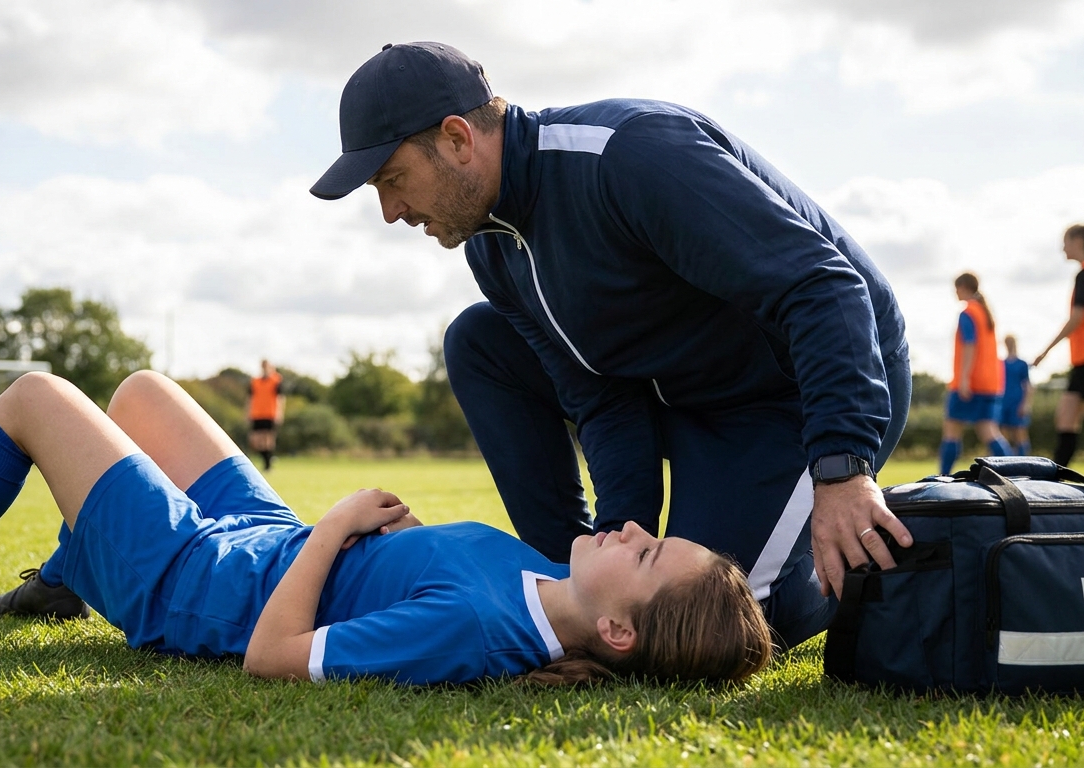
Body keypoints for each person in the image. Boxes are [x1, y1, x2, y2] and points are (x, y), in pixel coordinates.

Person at [309, 42, 911, 648]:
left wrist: (842, 467)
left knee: (713, 623)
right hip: (683, 395)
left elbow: (824, 287)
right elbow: (600, 399)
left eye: (392, 180)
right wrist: (609, 558)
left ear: (458, 139)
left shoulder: (629, 155)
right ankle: (554, 578)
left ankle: (888, 536)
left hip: (803, 393)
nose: (390, 211)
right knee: (478, 340)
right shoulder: (491, 248)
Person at [0, 371, 772, 686]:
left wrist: (338, 524)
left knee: (39, 399)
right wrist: (357, 541)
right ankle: (69, 573)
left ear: (617, 632)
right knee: (140, 392)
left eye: (644, 553)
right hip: (264, 537)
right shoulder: (531, 583)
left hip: (197, 582)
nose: (633, 526)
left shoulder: (475, 626)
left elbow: (271, 656)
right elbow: (415, 573)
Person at [1034, 222, 1084, 466]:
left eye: (1066, 242)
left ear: (1078, 242)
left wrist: (1046, 350)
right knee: (1065, 417)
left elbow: (1077, 318)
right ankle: (1055, 482)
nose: (1063, 248)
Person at [938, 273, 1011, 475]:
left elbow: (970, 346)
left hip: (971, 381)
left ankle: (943, 476)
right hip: (991, 383)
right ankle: (1013, 470)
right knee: (988, 431)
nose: (955, 292)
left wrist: (963, 379)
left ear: (963, 287)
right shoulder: (984, 312)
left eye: (956, 288)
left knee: (951, 430)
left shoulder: (968, 313)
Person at [248, 360, 285, 471]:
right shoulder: (255, 381)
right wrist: (248, 412)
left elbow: (280, 398)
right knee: (256, 440)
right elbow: (250, 398)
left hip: (270, 413)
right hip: (257, 413)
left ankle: (268, 464)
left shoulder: (276, 380)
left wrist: (279, 412)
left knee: (268, 439)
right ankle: (267, 458)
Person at [1000, 335, 1033, 456]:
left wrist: (1026, 404)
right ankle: (1005, 462)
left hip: (1017, 401)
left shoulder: (1022, 364)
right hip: (1003, 402)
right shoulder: (1001, 363)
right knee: (1002, 435)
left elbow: (1028, 386)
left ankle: (1024, 460)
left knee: (1020, 433)